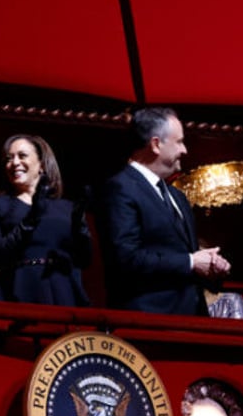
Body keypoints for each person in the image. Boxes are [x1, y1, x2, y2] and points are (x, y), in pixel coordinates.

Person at [95, 107, 230, 315]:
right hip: (147, 321)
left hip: (190, 320)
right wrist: (191, 262)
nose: (185, 150)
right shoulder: (120, 188)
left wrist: (209, 266)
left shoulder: (177, 197)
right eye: (179, 142)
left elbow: (183, 259)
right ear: (156, 144)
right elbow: (126, 258)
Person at [0, 134, 92, 306]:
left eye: (22, 156)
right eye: (9, 158)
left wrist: (81, 227)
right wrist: (28, 222)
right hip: (19, 290)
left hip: (63, 290)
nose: (14, 162)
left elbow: (84, 260)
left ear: (42, 164)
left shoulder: (67, 208)